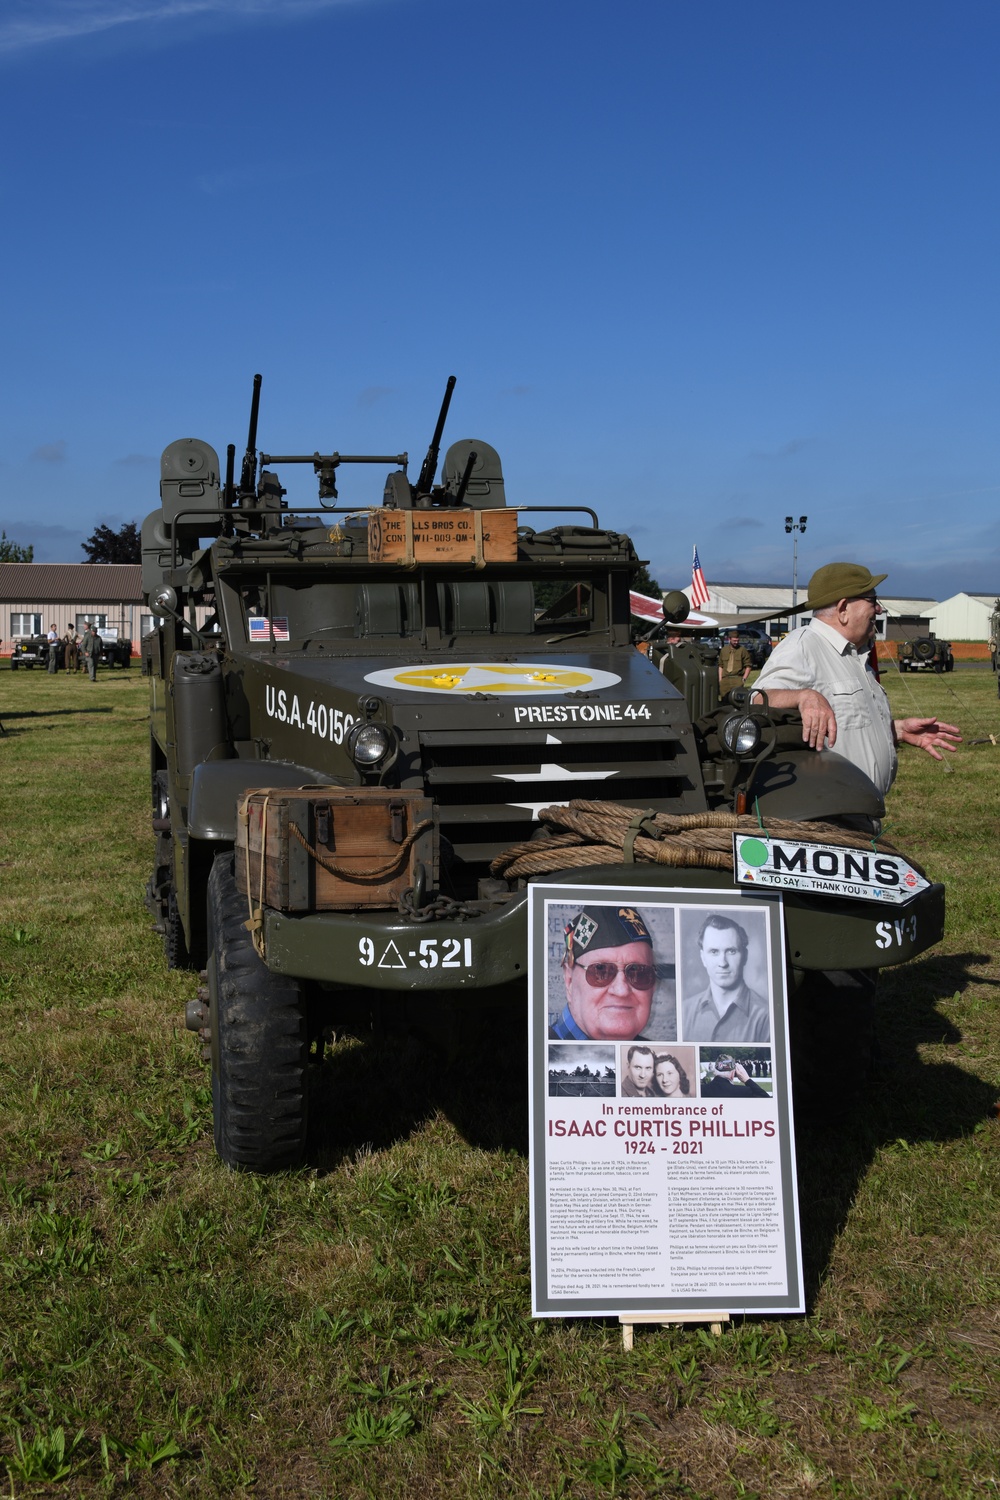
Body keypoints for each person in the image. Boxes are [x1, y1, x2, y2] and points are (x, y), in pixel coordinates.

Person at [752, 563, 961, 797]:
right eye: (872, 600)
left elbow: (847, 727)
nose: (879, 609)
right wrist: (804, 696)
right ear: (843, 609)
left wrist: (898, 731)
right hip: (830, 815)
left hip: (860, 811)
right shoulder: (803, 646)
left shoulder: (855, 654)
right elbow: (756, 700)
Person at [550, 905, 661, 1042]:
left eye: (638, 973)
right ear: (569, 980)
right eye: (601, 970)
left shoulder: (662, 1057)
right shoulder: (531, 1055)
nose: (621, 990)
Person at [683, 913, 770, 1043]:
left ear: (745, 956)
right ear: (703, 958)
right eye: (714, 952)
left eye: (731, 951)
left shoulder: (766, 1016)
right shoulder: (684, 1011)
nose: (723, 963)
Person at [700, 1056, 770, 1098]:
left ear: (715, 1072)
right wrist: (747, 1080)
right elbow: (766, 1098)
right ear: (733, 1073)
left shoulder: (701, 1090)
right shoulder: (744, 1091)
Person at [718, 630, 751, 697]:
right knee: (724, 700)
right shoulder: (724, 650)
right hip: (725, 680)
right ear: (729, 639)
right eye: (734, 641)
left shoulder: (742, 650)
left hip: (737, 679)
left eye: (737, 640)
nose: (736, 642)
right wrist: (720, 679)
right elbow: (720, 666)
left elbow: (748, 666)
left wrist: (744, 679)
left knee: (737, 700)